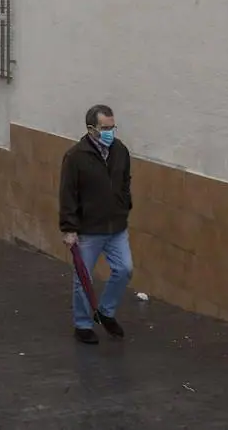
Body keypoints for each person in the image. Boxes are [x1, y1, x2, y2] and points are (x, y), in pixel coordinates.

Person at [59, 104, 133, 344]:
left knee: (124, 269)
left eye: (113, 127)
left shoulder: (120, 151)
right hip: (89, 230)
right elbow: (68, 193)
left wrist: (124, 205)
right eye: (105, 128)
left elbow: (124, 182)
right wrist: (69, 228)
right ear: (91, 129)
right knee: (83, 279)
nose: (110, 132)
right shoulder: (75, 157)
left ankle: (106, 311)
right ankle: (82, 325)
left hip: (116, 227)